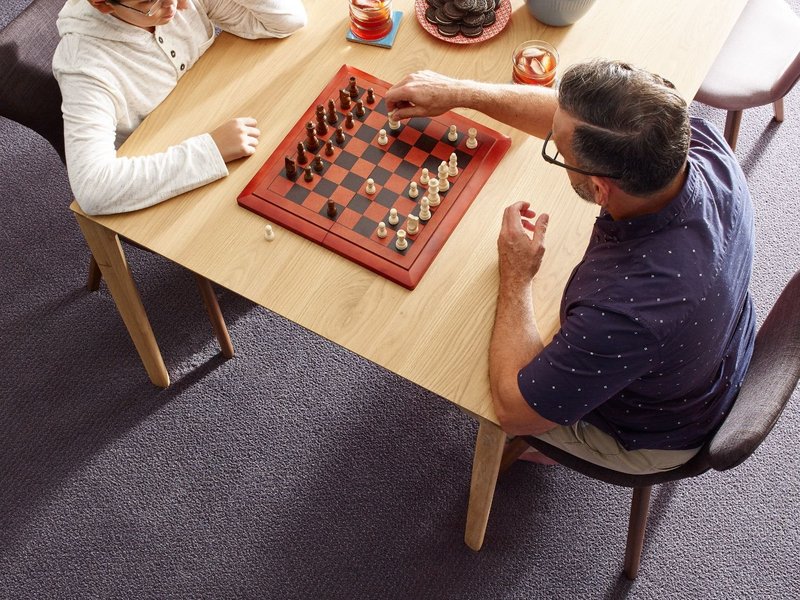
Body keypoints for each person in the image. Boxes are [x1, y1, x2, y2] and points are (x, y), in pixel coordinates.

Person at [385, 60, 755, 474]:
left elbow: (514, 410)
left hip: (658, 429)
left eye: (558, 151)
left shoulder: (624, 313)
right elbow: (578, 123)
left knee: (459, 370)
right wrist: (460, 93)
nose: (553, 139)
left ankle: (558, 441)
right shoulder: (697, 144)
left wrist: (517, 276)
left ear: (599, 189)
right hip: (712, 347)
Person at [53, 0, 307, 215]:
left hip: (221, 116)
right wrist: (211, 150)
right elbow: (93, 189)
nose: (173, 6)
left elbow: (287, 20)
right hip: (166, 174)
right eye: (149, 2)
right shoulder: (84, 67)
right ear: (102, 4)